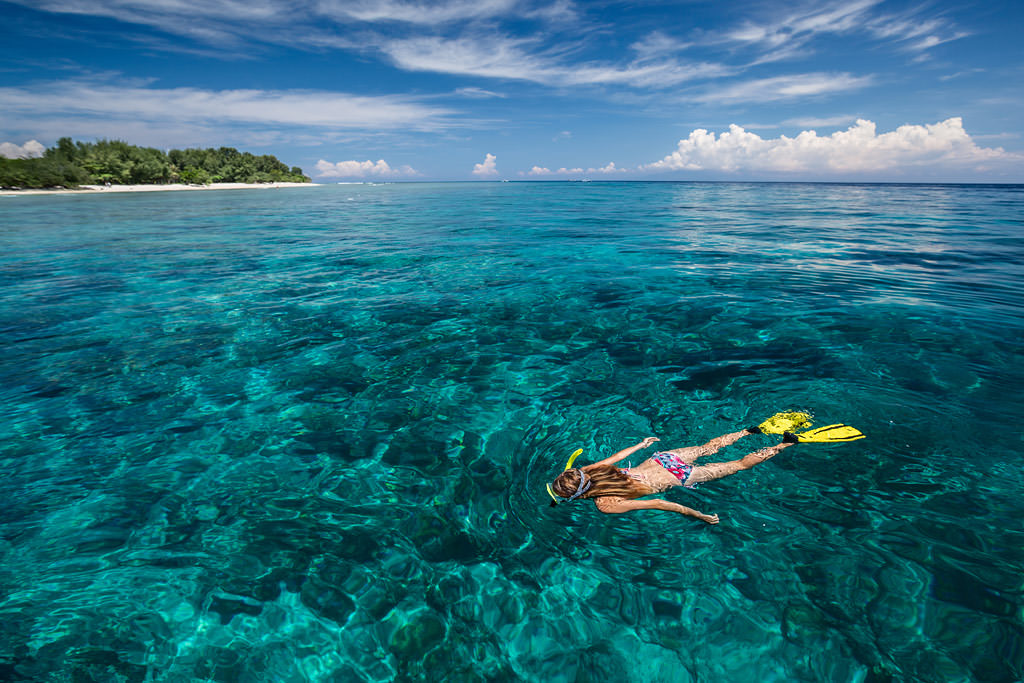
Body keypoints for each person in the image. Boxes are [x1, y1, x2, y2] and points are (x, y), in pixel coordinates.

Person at [547, 427, 799, 524]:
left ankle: (785, 445)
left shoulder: (606, 505)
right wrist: (640, 445)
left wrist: (701, 516)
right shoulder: (589, 470)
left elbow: (659, 503)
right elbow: (614, 459)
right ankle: (748, 431)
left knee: (740, 465)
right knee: (707, 447)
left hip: (679, 476)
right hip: (663, 458)